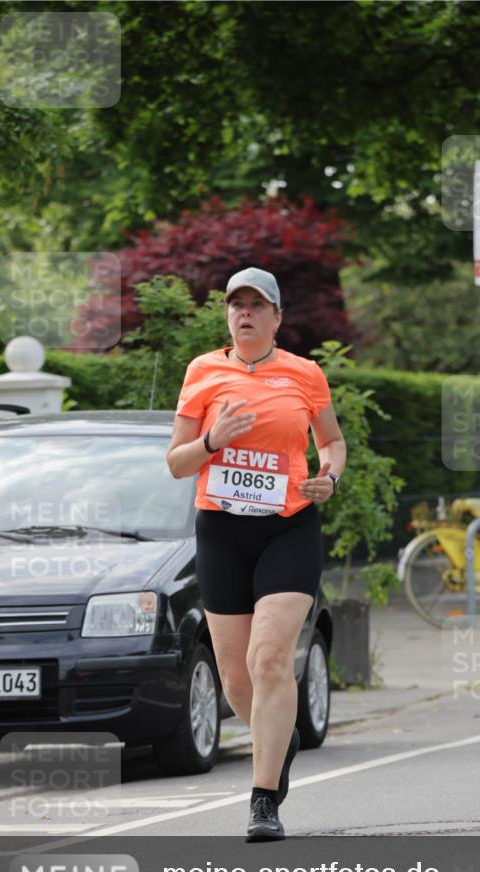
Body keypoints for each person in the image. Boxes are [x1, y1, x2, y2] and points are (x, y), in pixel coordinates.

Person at [166, 267, 346, 842]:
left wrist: (330, 477)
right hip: (222, 532)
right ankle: (280, 735)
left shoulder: (305, 374)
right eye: (234, 304)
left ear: (276, 316)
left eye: (255, 304)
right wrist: (214, 439)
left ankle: (263, 801)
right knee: (237, 678)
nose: (243, 312)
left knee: (270, 659)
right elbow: (176, 462)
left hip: (287, 528)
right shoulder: (202, 372)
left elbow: (333, 442)